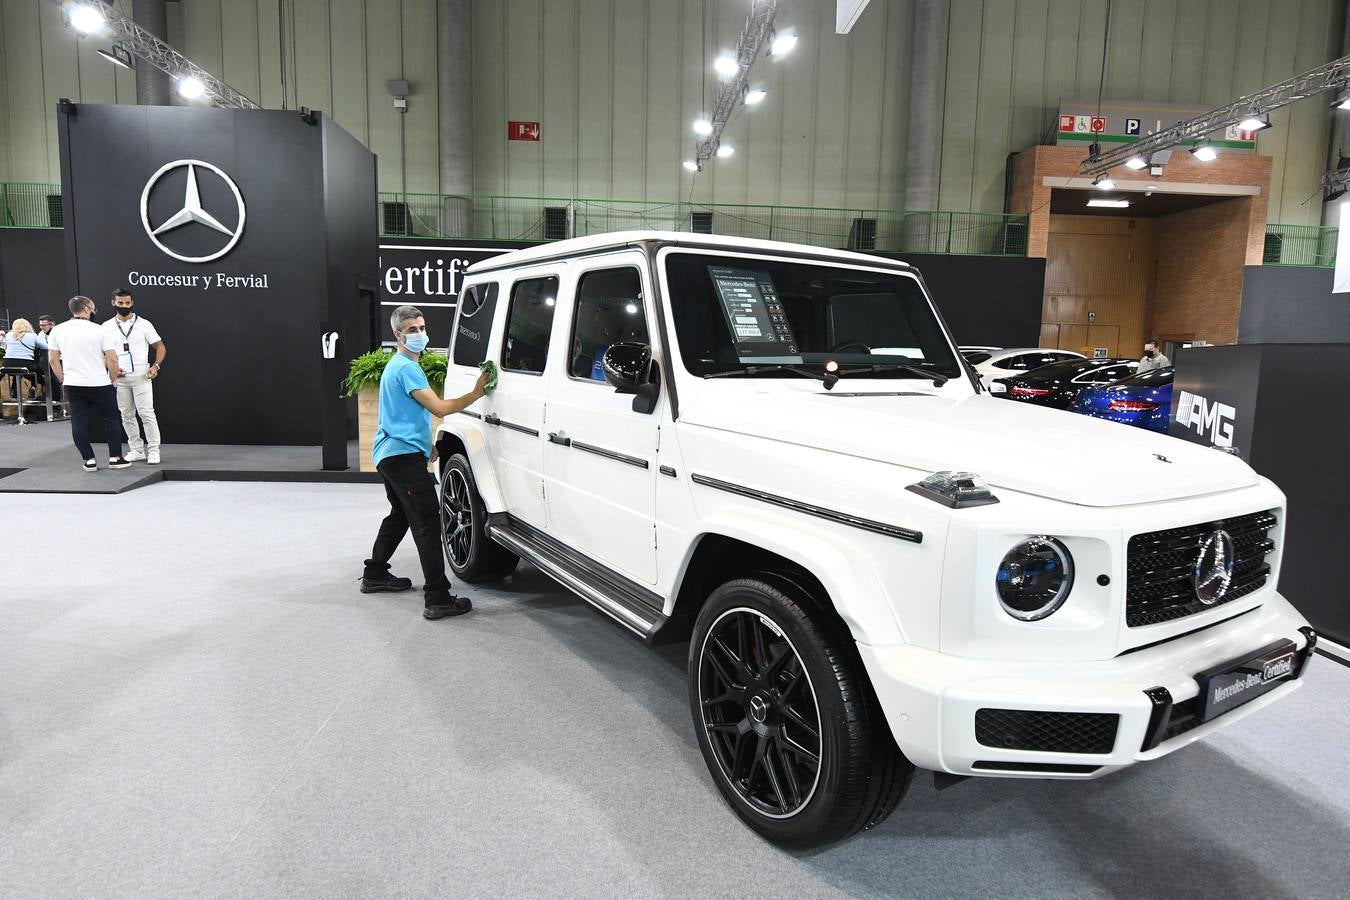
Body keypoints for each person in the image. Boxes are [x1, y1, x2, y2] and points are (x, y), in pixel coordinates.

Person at [364, 304, 491, 620]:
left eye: (421, 327)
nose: (419, 334)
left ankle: (375, 573)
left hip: (392, 453)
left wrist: (424, 447)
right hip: (400, 458)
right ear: (398, 335)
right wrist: (477, 391)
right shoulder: (406, 367)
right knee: (427, 522)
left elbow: (405, 415)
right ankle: (437, 597)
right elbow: (440, 408)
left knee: (401, 514)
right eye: (412, 330)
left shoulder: (398, 365)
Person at [47, 296, 129, 472]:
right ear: (86, 309)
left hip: (73, 384)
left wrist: (63, 379)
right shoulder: (100, 330)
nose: (93, 312)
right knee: (111, 419)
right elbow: (112, 359)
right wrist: (113, 378)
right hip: (100, 383)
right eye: (93, 309)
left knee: (78, 422)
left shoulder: (57, 330)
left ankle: (89, 459)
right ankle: (115, 457)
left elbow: (53, 360)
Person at [103, 288, 166, 464]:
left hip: (141, 374)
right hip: (119, 376)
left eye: (127, 303)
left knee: (146, 413)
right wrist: (112, 368)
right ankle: (137, 449)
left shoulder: (144, 324)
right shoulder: (106, 327)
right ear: (113, 303)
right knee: (126, 414)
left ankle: (153, 450)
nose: (124, 306)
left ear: (132, 303)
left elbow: (160, 347)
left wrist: (156, 366)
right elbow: (102, 352)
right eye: (120, 303)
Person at [2, 318, 48, 398]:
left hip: (7, 364)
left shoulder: (9, 335)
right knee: (38, 369)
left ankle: (14, 389)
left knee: (18, 369)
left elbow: (6, 349)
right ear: (28, 326)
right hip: (26, 365)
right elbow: (46, 347)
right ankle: (35, 386)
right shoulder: (33, 336)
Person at [36, 315, 63, 410]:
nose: (42, 327)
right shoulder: (41, 334)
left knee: (53, 379)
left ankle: (57, 406)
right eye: (40, 325)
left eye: (44, 325)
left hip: (60, 360)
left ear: (52, 324)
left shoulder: (59, 333)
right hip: (47, 361)